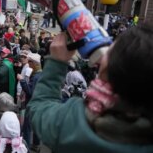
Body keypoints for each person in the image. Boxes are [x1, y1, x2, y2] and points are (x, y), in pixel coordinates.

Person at [27, 23, 153, 153]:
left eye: (110, 52)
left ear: (111, 68)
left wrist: (56, 62)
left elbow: (39, 107)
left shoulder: (74, 122)